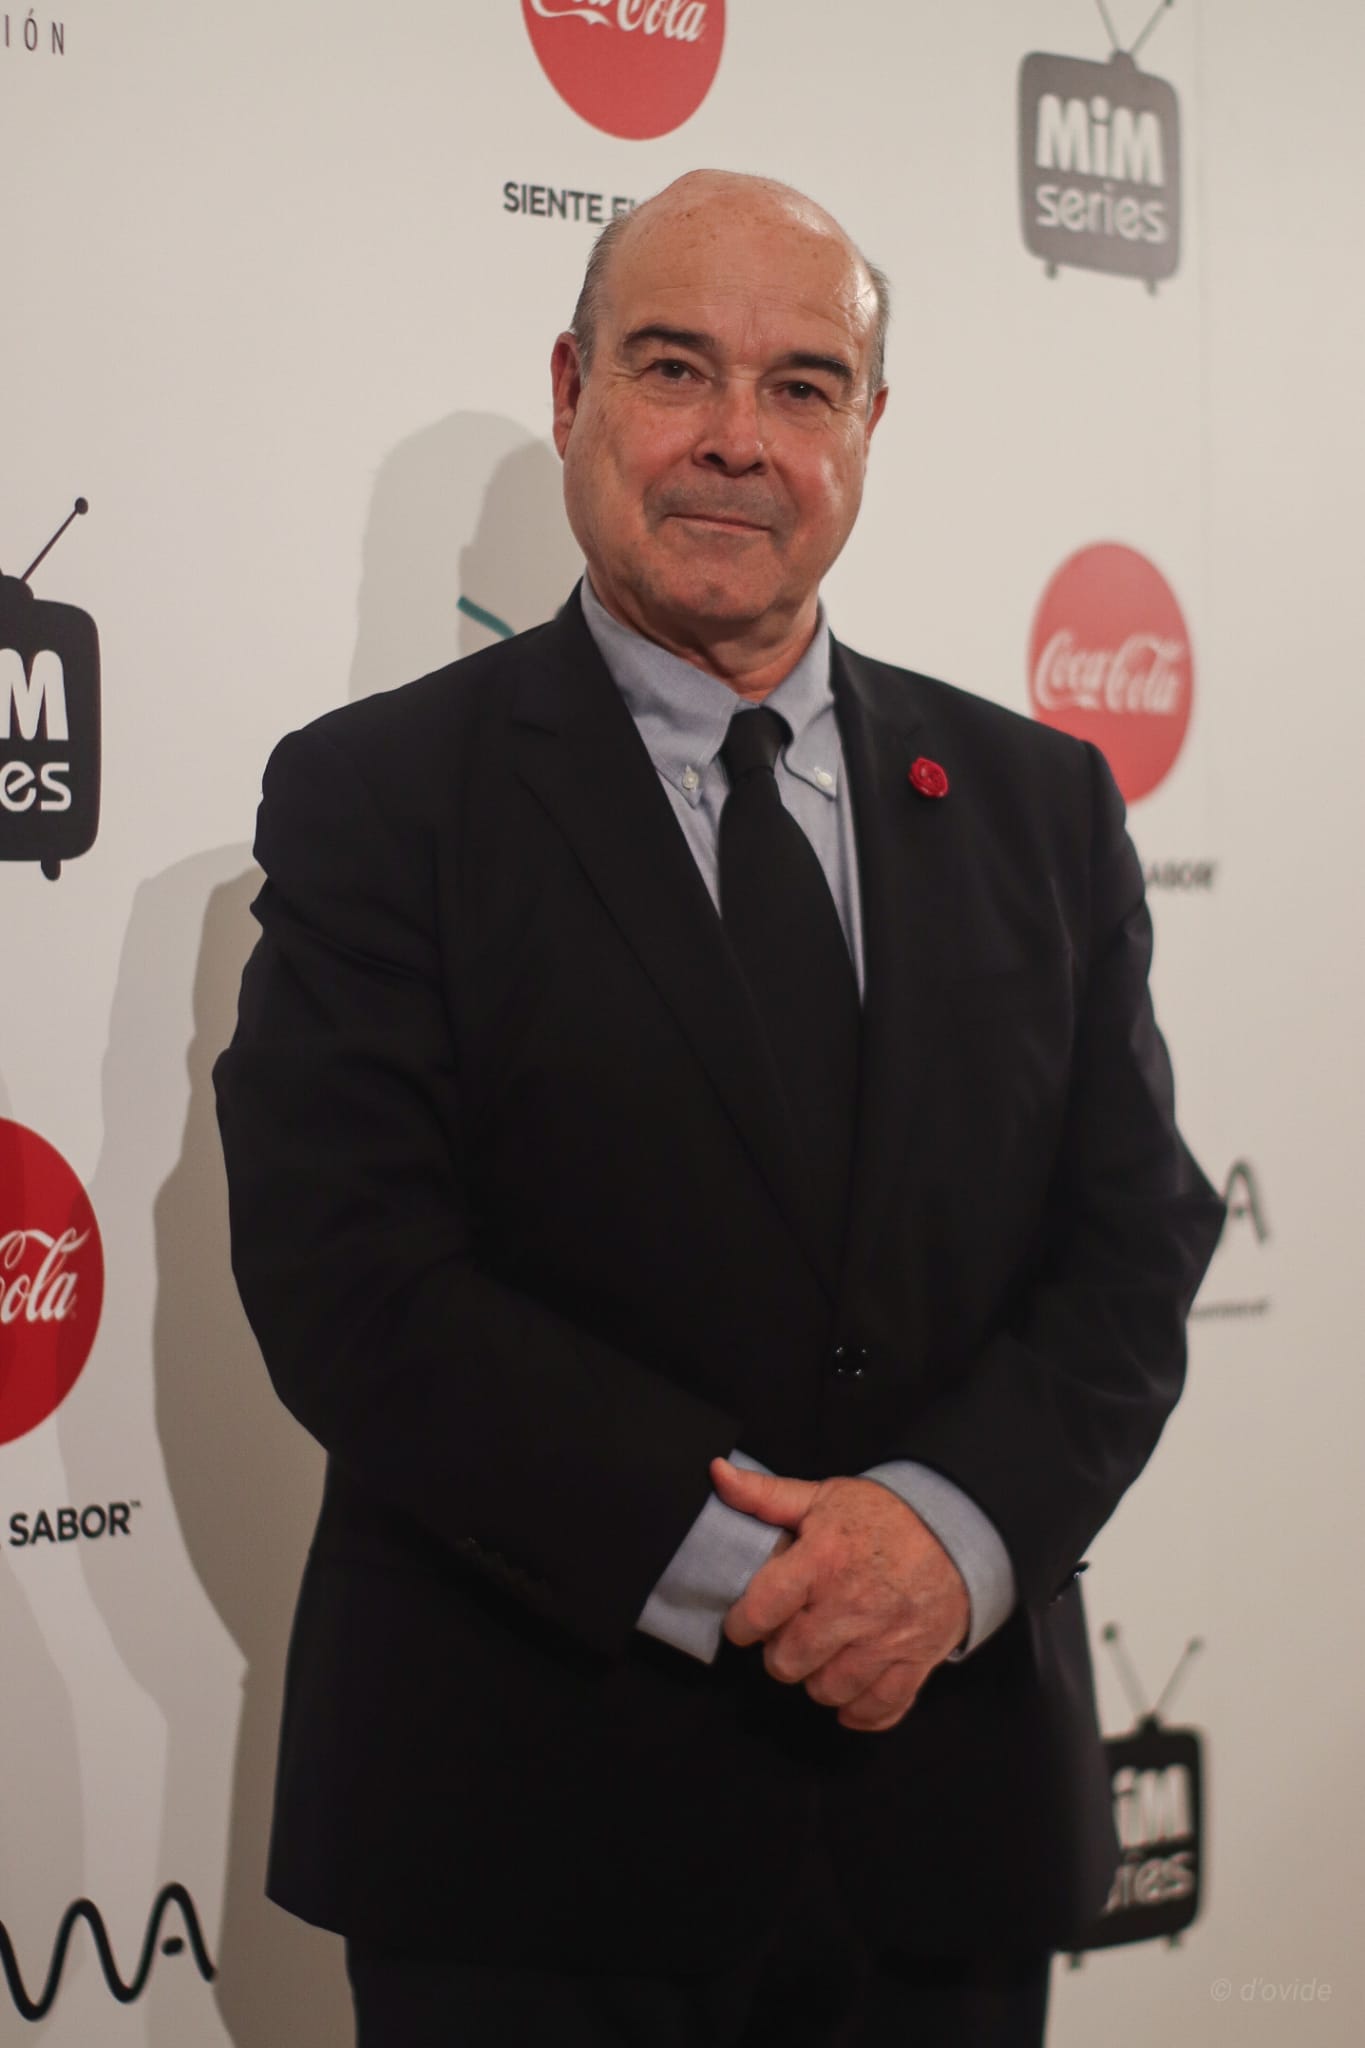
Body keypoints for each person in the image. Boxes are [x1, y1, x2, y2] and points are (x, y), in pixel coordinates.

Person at [214, 170, 1225, 2047]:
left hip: (941, 1830)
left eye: (802, 385)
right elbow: (350, 1275)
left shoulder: (1037, 804)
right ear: (572, 390)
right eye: (676, 368)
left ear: (867, 427)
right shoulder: (383, 800)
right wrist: (768, 1575)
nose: (737, 442)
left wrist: (946, 1540)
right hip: (527, 1852)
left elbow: (1135, 1241)